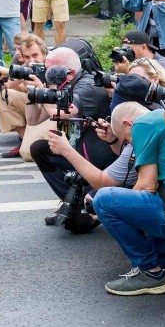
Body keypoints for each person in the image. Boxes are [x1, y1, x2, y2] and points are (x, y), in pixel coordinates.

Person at [92, 102, 165, 295]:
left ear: (128, 124)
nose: (131, 145)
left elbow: (147, 185)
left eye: (128, 140)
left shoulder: (143, 124)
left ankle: (151, 274)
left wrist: (113, 213)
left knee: (104, 200)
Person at [28, 47, 114, 222]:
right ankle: (72, 203)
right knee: (39, 148)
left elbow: (59, 113)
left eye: (51, 70)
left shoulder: (87, 85)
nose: (46, 73)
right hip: (76, 148)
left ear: (70, 73)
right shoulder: (62, 84)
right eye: (46, 68)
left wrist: (42, 90)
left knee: (77, 227)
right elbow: (33, 119)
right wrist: (33, 93)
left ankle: (88, 207)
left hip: (99, 157)